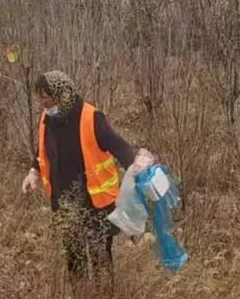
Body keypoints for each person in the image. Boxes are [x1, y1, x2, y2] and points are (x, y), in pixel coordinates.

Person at [19, 70, 151, 279]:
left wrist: (139, 164)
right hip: (64, 202)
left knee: (100, 259)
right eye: (40, 98)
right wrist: (34, 172)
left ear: (62, 94)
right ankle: (80, 297)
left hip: (95, 204)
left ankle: (103, 297)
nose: (43, 103)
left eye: (47, 98)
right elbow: (43, 148)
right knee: (74, 258)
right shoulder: (48, 117)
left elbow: (119, 146)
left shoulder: (91, 117)